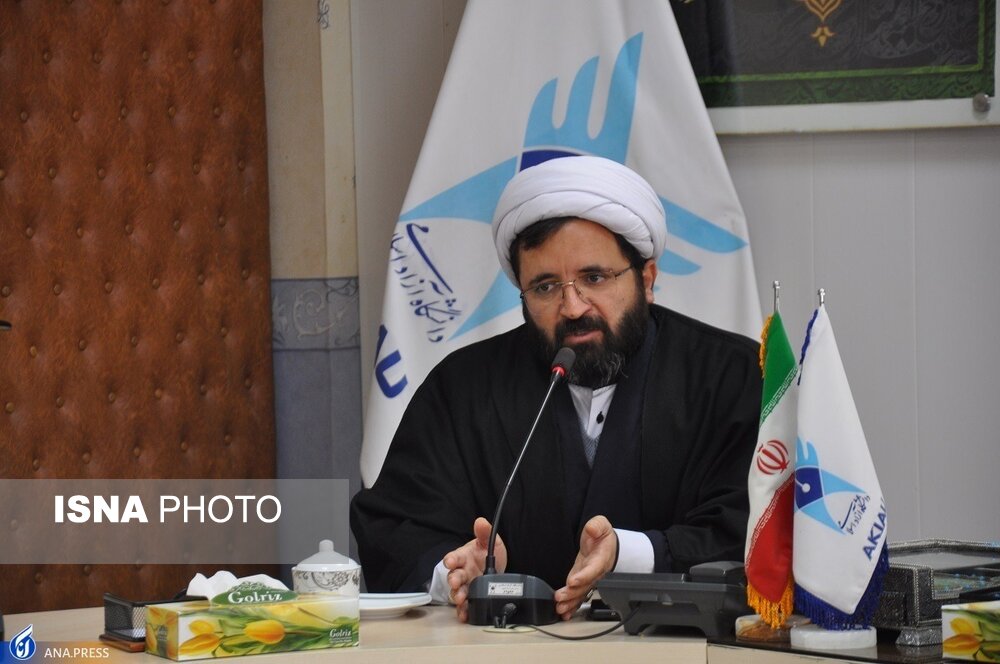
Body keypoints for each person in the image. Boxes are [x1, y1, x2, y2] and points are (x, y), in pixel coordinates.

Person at [350, 156, 761, 622]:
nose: (572, 307)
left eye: (594, 278)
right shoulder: (463, 388)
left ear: (646, 279)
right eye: (545, 287)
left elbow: (755, 525)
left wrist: (628, 553)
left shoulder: (732, 375)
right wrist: (455, 572)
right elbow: (395, 524)